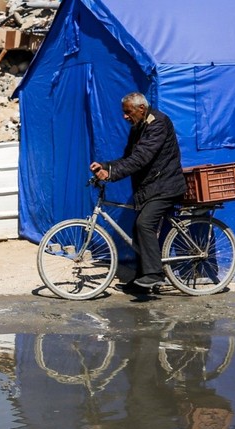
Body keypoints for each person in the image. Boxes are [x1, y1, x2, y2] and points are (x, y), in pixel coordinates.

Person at [90, 92, 187, 292]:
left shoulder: (157, 124)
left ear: (140, 109)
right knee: (138, 229)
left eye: (128, 112)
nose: (125, 116)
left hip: (165, 186)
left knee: (145, 224)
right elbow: (129, 157)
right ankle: (142, 280)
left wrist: (112, 174)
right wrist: (106, 166)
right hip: (152, 186)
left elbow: (141, 158)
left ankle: (154, 274)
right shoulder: (138, 127)